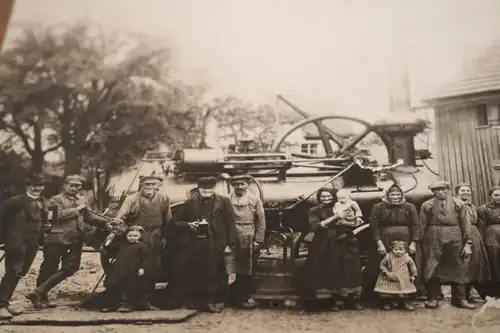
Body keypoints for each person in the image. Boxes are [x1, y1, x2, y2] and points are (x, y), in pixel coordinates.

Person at [26, 175, 111, 309]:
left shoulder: (82, 200)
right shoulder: (55, 200)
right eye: (71, 185)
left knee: (72, 267)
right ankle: (41, 298)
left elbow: (89, 216)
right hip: (56, 238)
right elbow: (55, 217)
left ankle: (37, 292)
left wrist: (108, 222)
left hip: (76, 239)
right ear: (64, 185)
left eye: (77, 186)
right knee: (49, 267)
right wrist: (76, 210)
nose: (74, 188)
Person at [169, 176, 236, 313]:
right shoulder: (189, 203)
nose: (206, 191)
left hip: (214, 240)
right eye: (203, 188)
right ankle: (192, 301)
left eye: (209, 188)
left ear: (214, 188)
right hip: (193, 241)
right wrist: (189, 225)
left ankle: (210, 301)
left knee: (213, 271)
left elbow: (230, 223)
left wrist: (230, 243)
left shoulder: (223, 202)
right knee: (191, 270)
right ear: (198, 188)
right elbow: (175, 221)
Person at [112, 174, 172, 309]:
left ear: (158, 186)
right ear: (141, 185)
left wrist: (165, 237)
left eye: (153, 184)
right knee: (132, 270)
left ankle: (145, 301)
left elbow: (168, 221)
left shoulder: (163, 199)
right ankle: (126, 302)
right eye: (147, 185)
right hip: (136, 239)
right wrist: (129, 234)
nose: (150, 187)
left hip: (156, 237)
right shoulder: (132, 199)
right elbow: (119, 220)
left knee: (151, 269)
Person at [301, 187, 363, 311]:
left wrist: (355, 221)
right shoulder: (314, 210)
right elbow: (315, 226)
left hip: (343, 240)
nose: (326, 199)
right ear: (319, 198)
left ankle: (351, 300)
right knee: (329, 270)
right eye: (323, 196)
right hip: (324, 242)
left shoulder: (342, 205)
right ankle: (331, 300)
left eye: (329, 196)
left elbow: (352, 220)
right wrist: (335, 218)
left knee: (349, 269)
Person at [0, 175, 51, 319]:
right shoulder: (14, 202)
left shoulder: (42, 202)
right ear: (26, 186)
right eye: (34, 185)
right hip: (16, 243)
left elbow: (42, 222)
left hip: (32, 243)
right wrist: (3, 240)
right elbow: (1, 219)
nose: (37, 188)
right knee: (13, 272)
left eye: (40, 185)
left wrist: (46, 228)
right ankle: (1, 306)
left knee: (20, 273)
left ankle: (5, 303)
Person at [419, 180, 475, 309]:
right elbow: (422, 225)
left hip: (454, 235)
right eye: (438, 190)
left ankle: (459, 298)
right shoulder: (427, 205)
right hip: (433, 237)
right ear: (433, 192)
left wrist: (468, 243)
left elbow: (466, 224)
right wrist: (420, 242)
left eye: (444, 189)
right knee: (432, 265)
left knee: (458, 265)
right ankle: (433, 297)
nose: (441, 192)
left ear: (448, 190)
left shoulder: (458, 203)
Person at [369, 184, 424, 297]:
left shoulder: (410, 207)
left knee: (405, 267)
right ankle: (386, 297)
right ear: (387, 195)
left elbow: (415, 225)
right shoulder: (378, 207)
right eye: (392, 194)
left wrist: (413, 243)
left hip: (406, 239)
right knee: (386, 264)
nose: (395, 197)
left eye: (398, 194)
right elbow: (375, 226)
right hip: (385, 239)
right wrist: (379, 243)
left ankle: (406, 297)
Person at [228, 172, 266, 309]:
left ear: (247, 185)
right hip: (231, 234)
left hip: (248, 234)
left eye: (242, 184)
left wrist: (258, 240)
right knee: (230, 265)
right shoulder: (226, 199)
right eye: (236, 184)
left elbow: (261, 221)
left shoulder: (254, 200)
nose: (239, 186)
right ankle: (230, 296)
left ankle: (244, 296)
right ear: (232, 186)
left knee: (246, 267)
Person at [455, 183, 490, 302]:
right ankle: (460, 297)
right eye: (462, 190)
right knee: (463, 265)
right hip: (461, 235)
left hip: (475, 235)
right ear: (457, 192)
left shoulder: (474, 207)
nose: (465, 192)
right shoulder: (455, 205)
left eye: (468, 191)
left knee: (474, 265)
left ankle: (469, 294)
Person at [100, 225, 148, 313]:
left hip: (132, 270)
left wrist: (142, 268)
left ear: (140, 236)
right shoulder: (122, 244)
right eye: (130, 236)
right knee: (113, 285)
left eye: (135, 236)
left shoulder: (142, 246)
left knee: (129, 287)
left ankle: (128, 305)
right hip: (118, 268)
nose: (132, 238)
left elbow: (145, 259)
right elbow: (110, 248)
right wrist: (108, 241)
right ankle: (112, 305)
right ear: (126, 235)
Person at [374, 240, 418, 311]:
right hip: (389, 276)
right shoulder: (388, 257)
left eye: (401, 250)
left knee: (404, 292)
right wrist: (386, 272)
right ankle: (387, 302)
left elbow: (412, 266)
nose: (398, 252)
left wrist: (413, 275)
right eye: (396, 249)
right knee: (388, 291)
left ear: (405, 250)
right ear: (392, 249)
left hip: (403, 277)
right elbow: (382, 265)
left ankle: (405, 302)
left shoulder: (407, 258)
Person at [477, 186, 500, 297]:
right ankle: (495, 290)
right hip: (492, 237)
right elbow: (481, 226)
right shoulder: (483, 209)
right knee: (494, 261)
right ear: (490, 196)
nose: (498, 197)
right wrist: (481, 241)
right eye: (496, 195)